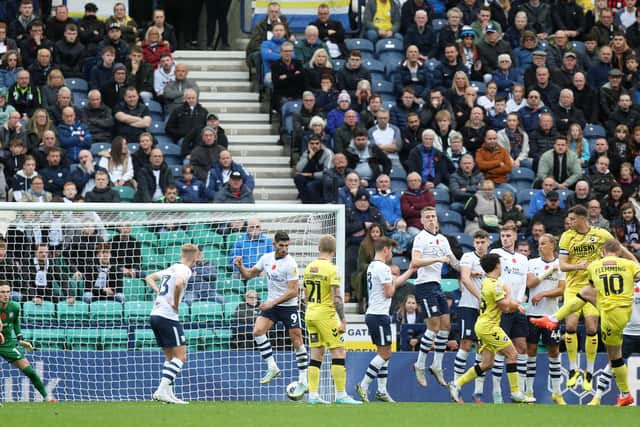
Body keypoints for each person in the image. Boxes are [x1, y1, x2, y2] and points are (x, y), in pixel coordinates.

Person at [532, 238, 639, 406]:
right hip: (623, 313)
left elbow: (594, 284)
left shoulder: (594, 266)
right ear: (618, 252)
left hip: (609, 315)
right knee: (585, 293)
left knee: (615, 357)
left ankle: (625, 394)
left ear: (603, 252)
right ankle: (625, 394)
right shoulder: (630, 265)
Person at [448, 253, 536, 404]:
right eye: (500, 264)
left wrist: (513, 304)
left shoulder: (488, 282)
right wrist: (511, 296)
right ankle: (516, 392)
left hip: (484, 325)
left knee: (487, 363)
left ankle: (457, 383)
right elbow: (505, 306)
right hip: (489, 326)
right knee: (512, 354)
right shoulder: (494, 285)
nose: (501, 266)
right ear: (497, 265)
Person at [555, 205, 621, 392]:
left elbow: (617, 249)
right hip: (574, 287)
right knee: (570, 326)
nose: (570, 223)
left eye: (573, 219)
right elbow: (562, 265)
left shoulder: (601, 234)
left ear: (583, 219)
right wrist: (579, 266)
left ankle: (589, 372)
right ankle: (573, 369)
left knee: (592, 328)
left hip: (593, 287)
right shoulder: (567, 236)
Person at [233, 231, 308, 387]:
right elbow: (248, 275)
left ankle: (303, 379)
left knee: (297, 339)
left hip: (289, 306)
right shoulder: (266, 258)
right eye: (281, 245)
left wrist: (272, 303)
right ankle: (272, 367)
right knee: (258, 331)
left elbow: (294, 291)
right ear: (274, 244)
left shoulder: (291, 264)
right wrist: (240, 267)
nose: (285, 249)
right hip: (272, 305)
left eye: (287, 246)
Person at [355, 237, 415, 403]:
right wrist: (392, 283)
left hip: (374, 314)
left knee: (384, 353)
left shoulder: (373, 266)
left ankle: (382, 390)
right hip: (379, 315)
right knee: (386, 353)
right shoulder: (383, 268)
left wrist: (410, 271)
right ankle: (364, 385)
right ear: (386, 250)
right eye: (391, 251)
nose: (392, 255)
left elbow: (393, 283)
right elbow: (389, 292)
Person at [303, 234, 362, 405]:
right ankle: (341, 394)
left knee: (316, 354)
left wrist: (312, 309)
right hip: (325, 315)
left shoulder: (309, 267)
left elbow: (305, 295)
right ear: (334, 250)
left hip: (310, 314)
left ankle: (313, 395)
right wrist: (342, 320)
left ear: (318, 249)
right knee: (338, 352)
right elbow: (337, 297)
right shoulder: (332, 269)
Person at [412, 206, 460, 387]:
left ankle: (437, 365)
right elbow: (415, 262)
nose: (432, 219)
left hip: (437, 285)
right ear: (422, 220)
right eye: (428, 217)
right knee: (433, 327)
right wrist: (437, 260)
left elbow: (453, 261)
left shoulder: (442, 239)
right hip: (424, 286)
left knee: (445, 327)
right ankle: (420, 364)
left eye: (433, 216)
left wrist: (469, 270)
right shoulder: (420, 238)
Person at [146, 243, 199, 404]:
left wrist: (157, 291)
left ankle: (168, 394)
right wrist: (176, 303)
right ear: (195, 259)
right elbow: (178, 284)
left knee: (170, 357)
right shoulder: (185, 270)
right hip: (168, 316)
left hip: (155, 314)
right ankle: (161, 390)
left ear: (180, 256)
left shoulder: (172, 268)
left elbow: (149, 277)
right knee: (181, 357)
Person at [488, 223, 529, 403]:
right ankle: (496, 391)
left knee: (521, 348)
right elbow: (494, 280)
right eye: (503, 235)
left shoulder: (523, 259)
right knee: (500, 350)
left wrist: (519, 301)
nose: (505, 238)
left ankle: (519, 390)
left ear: (515, 237)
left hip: (518, 308)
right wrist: (509, 302)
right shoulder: (496, 255)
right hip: (503, 308)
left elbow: (523, 282)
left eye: (508, 235)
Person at [525, 234, 566, 404]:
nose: (540, 246)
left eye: (543, 243)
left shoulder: (561, 266)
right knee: (531, 351)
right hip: (532, 314)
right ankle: (528, 391)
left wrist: (543, 293)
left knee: (554, 352)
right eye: (539, 243)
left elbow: (562, 290)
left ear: (552, 245)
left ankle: (557, 392)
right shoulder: (532, 263)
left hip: (552, 315)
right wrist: (549, 272)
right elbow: (530, 284)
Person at [0, 282, 55, 402]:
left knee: (30, 371)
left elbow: (15, 323)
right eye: (2, 292)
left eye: (8, 292)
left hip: (8, 343)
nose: (6, 295)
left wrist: (20, 339)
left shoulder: (14, 307)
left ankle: (47, 397)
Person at [453, 230, 490, 403]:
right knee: (466, 344)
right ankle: (456, 387)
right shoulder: (468, 257)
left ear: (488, 243)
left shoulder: (491, 260)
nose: (480, 245)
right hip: (468, 306)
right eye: (477, 242)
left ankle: (478, 392)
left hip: (486, 310)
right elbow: (465, 278)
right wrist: (479, 296)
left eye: (483, 242)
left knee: (482, 348)